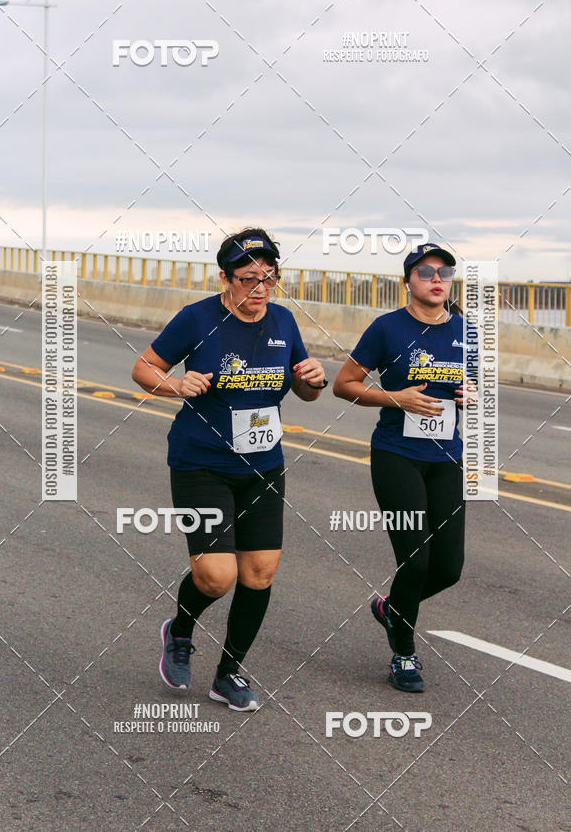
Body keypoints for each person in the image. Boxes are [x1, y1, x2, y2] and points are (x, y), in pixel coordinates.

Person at [132, 228, 327, 710]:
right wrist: (175, 385)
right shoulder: (197, 318)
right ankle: (179, 630)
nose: (260, 289)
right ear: (225, 278)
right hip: (202, 463)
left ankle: (228, 673)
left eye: (269, 278)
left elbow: (305, 389)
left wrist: (314, 380)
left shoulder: (283, 320)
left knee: (259, 573)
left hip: (263, 465)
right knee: (216, 577)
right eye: (248, 279)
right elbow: (143, 368)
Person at [333, 243, 476, 693]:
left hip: (445, 457)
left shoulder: (465, 331)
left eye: (445, 272)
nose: (437, 279)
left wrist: (471, 394)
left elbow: (472, 386)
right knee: (415, 560)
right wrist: (396, 397)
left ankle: (390, 608)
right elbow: (344, 385)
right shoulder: (387, 329)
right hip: (397, 456)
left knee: (448, 568)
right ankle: (404, 654)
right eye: (426, 271)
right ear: (408, 281)